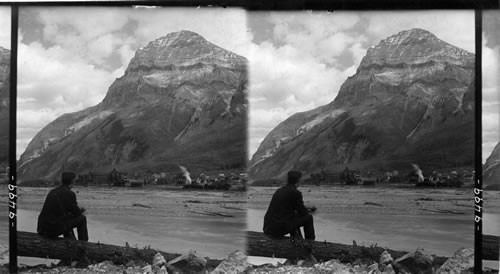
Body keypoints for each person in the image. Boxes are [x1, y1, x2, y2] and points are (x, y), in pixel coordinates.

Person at [263, 170, 315, 240]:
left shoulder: (279, 190)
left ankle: (298, 239)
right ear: (298, 180)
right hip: (277, 230)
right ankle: (310, 242)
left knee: (293, 217)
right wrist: (309, 210)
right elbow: (303, 212)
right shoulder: (296, 193)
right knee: (308, 218)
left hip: (268, 227)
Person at [37, 171, 88, 241]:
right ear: (72, 182)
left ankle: (70, 240)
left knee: (66, 217)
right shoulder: (70, 193)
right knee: (82, 219)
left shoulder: (52, 191)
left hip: (42, 228)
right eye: (74, 181)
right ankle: (84, 244)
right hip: (51, 230)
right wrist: (81, 210)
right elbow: (77, 214)